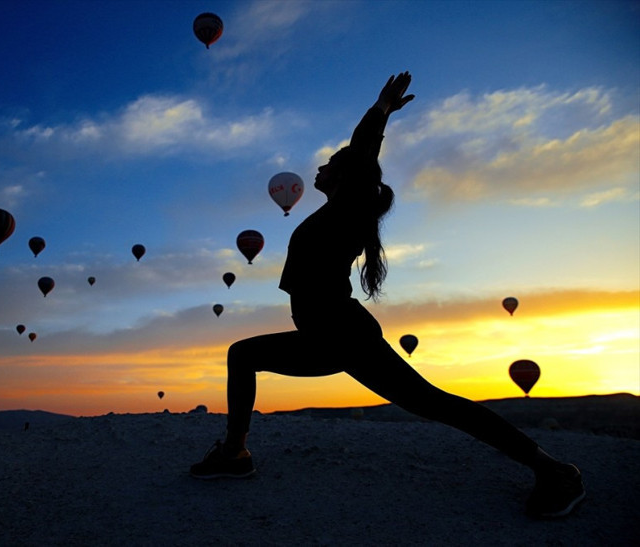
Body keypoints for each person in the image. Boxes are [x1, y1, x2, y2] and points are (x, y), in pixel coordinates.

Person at [189, 72, 585, 518]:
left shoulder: (349, 208)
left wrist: (380, 111)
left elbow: (362, 152)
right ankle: (234, 453)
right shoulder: (334, 213)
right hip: (324, 337)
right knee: (243, 355)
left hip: (344, 336)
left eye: (328, 164)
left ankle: (556, 471)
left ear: (346, 175)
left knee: (434, 404)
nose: (319, 169)